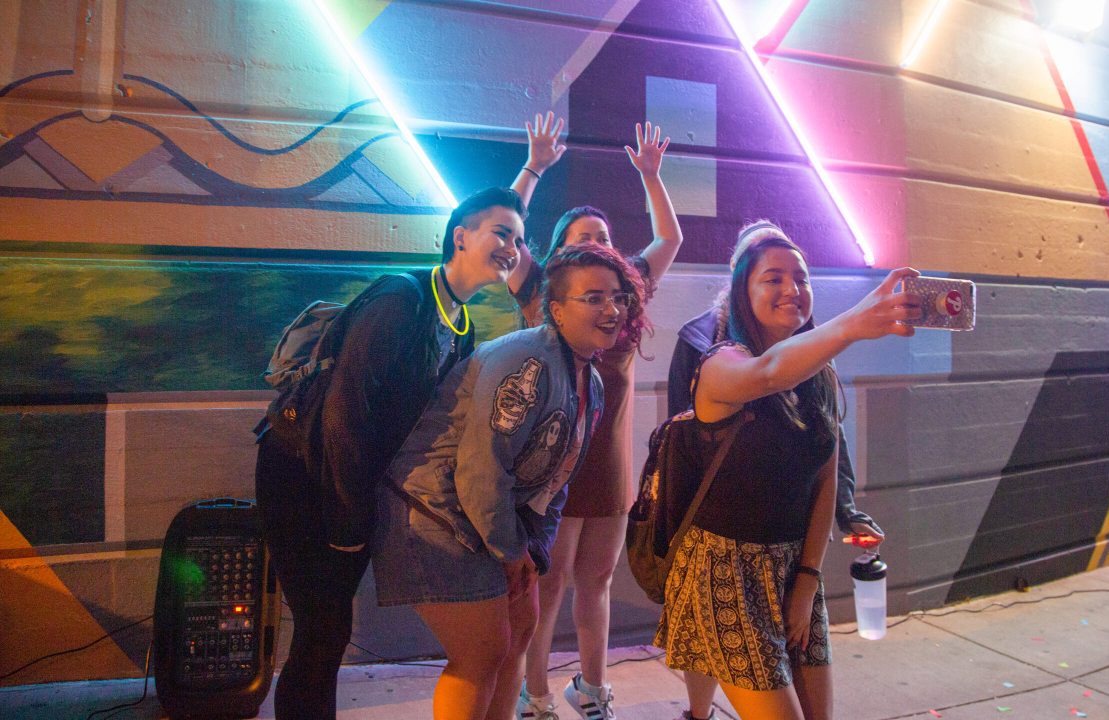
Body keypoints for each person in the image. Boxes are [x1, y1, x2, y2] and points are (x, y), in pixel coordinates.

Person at [253, 187, 526, 720]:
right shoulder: (402, 299)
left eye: (519, 238)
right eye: (501, 232)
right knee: (322, 626)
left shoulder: (460, 325)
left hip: (345, 482)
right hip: (301, 472)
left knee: (328, 628)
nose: (512, 247)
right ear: (461, 235)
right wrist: (348, 526)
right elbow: (346, 412)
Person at [371, 244, 652, 720]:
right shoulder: (527, 363)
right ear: (557, 310)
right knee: (481, 651)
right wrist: (510, 550)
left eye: (618, 297)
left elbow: (554, 484)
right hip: (429, 514)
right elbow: (482, 471)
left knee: (521, 626)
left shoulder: (592, 380)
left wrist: (532, 553)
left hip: (483, 518)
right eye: (594, 298)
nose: (611, 309)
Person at [653, 228, 920, 720]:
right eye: (772, 278)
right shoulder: (718, 364)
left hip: (792, 566)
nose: (791, 288)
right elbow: (768, 372)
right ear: (742, 291)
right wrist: (855, 323)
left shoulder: (817, 373)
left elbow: (824, 476)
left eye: (801, 277)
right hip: (722, 569)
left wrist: (805, 580)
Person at [507, 112, 683, 719]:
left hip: (607, 472)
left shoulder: (623, 295)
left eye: (602, 239)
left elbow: (669, 241)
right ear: (559, 251)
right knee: (547, 587)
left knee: (597, 585)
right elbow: (506, 234)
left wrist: (651, 177)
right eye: (581, 238)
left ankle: (593, 690)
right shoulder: (541, 291)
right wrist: (533, 167)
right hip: (550, 472)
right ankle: (535, 695)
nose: (594, 246)